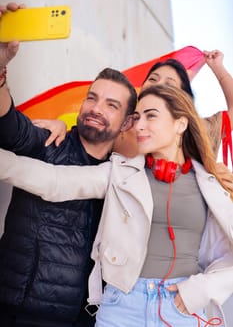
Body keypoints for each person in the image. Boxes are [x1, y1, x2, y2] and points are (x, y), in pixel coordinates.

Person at [0, 85, 233, 327]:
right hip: (122, 306)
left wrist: (200, 291)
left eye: (151, 115)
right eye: (137, 116)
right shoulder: (120, 172)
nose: (139, 125)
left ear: (180, 125)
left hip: (182, 308)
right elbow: (55, 181)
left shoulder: (211, 183)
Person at [0, 3, 137, 327]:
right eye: (92, 97)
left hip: (80, 319)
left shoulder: (129, 177)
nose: (96, 107)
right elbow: (7, 125)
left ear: (128, 121)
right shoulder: (49, 140)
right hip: (13, 309)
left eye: (111, 104)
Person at [38, 51, 233, 160]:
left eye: (169, 83)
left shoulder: (195, 130)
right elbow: (86, 135)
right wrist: (60, 125)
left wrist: (218, 67)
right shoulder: (122, 125)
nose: (157, 85)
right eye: (153, 78)